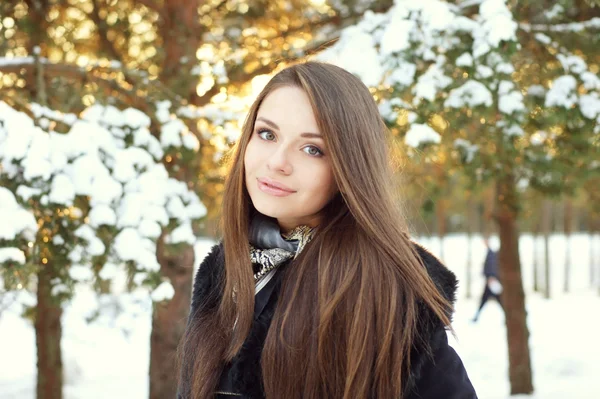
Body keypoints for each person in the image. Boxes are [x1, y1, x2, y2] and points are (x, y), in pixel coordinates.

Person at [177, 62, 477, 399]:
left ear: (349, 168)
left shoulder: (384, 290)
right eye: (267, 134)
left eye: (312, 149)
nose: (277, 161)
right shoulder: (224, 269)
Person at [472, 238, 504, 323]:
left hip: (492, 282)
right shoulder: (490, 253)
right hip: (490, 281)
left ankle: (476, 317)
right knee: (490, 300)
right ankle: (476, 317)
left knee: (497, 300)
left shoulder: (491, 254)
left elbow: (492, 267)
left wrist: (491, 277)